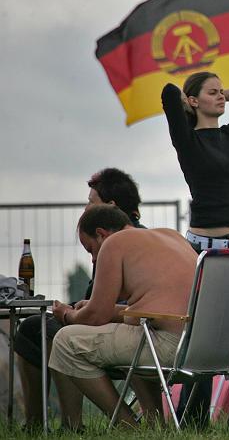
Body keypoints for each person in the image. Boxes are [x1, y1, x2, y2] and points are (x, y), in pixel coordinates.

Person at [161, 71, 229, 424]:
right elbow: (167, 93)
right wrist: (188, 102)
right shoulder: (187, 140)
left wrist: (224, 93)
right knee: (202, 331)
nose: (222, 97)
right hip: (200, 249)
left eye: (223, 91)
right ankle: (193, 416)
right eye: (213, 92)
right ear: (193, 101)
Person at [14, 167, 144, 429]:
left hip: (125, 334)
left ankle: (72, 424)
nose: (85, 209)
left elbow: (110, 310)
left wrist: (70, 314)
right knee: (29, 329)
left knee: (54, 332)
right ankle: (36, 424)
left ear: (109, 206)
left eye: (90, 202)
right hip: (122, 328)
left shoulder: (121, 243)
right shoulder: (124, 237)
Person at [47, 205, 196, 429]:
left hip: (168, 349)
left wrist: (67, 314)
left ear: (101, 234)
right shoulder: (171, 236)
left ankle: (128, 426)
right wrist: (100, 306)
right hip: (203, 350)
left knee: (65, 342)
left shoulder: (115, 243)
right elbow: (150, 312)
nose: (94, 259)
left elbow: (97, 316)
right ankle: (157, 426)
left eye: (91, 250)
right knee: (133, 337)